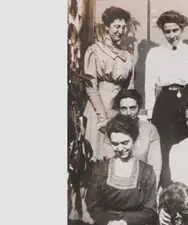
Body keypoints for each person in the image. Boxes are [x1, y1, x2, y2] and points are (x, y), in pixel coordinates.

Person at [145, 10, 188, 189]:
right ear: (163, 32)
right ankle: (167, 191)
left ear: (181, 29)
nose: (171, 35)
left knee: (187, 144)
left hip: (187, 101)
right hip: (164, 103)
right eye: (167, 31)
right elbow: (149, 85)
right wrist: (150, 112)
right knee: (165, 148)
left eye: (175, 30)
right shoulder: (154, 53)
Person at [83, 6, 135, 161]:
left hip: (118, 109)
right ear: (107, 27)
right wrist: (102, 115)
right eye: (116, 26)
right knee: (99, 154)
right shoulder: (95, 51)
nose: (120, 31)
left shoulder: (127, 56)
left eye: (124, 27)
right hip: (99, 107)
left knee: (118, 153)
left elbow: (130, 87)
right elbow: (91, 86)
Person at [85, 114, 158, 225]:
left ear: (134, 139)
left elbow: (150, 211)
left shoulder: (146, 172)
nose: (120, 149)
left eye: (125, 143)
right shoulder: (101, 169)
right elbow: (93, 205)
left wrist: (126, 221)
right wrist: (109, 222)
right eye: (115, 144)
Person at [106, 89, 162, 189]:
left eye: (132, 108)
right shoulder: (112, 130)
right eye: (124, 109)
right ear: (119, 109)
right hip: (116, 186)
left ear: (138, 108)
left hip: (142, 187)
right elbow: (108, 165)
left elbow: (155, 169)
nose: (128, 113)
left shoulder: (150, 130)